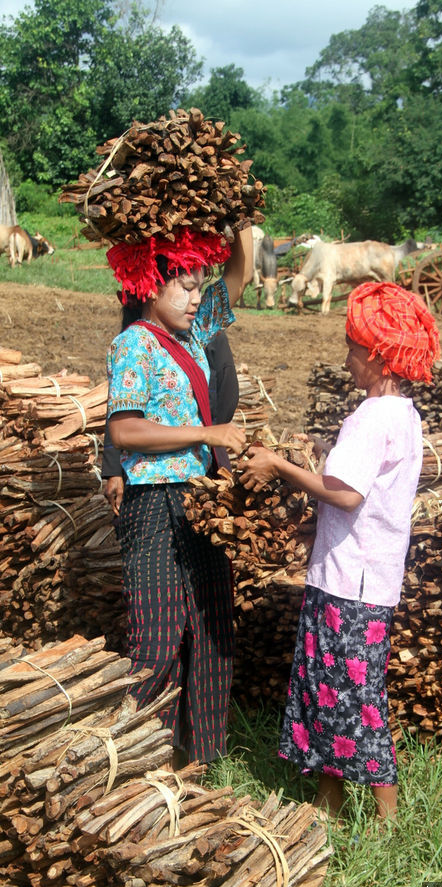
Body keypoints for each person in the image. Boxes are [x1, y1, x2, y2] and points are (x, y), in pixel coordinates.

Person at [238, 281, 440, 823]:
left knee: (353, 697)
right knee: (328, 689)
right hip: (357, 576)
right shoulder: (404, 414)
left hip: (351, 583)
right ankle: (328, 798)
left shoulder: (373, 419)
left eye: (353, 347)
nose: (347, 358)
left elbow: (346, 492)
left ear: (378, 355)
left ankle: (387, 819)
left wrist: (279, 467)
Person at [106, 224, 253, 766]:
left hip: (201, 504)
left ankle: (202, 760)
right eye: (185, 286)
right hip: (153, 506)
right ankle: (145, 759)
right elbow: (125, 430)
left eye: (198, 285)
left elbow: (240, 278)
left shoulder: (194, 331)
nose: (197, 297)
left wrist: (236, 226)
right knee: (159, 639)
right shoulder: (134, 345)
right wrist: (207, 434)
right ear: (151, 286)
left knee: (213, 631)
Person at [102, 329, 240, 515]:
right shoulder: (135, 340)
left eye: (198, 296)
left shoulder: (198, 331)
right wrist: (206, 433)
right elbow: (122, 422)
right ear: (152, 298)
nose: (195, 299)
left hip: (200, 472)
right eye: (186, 296)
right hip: (153, 488)